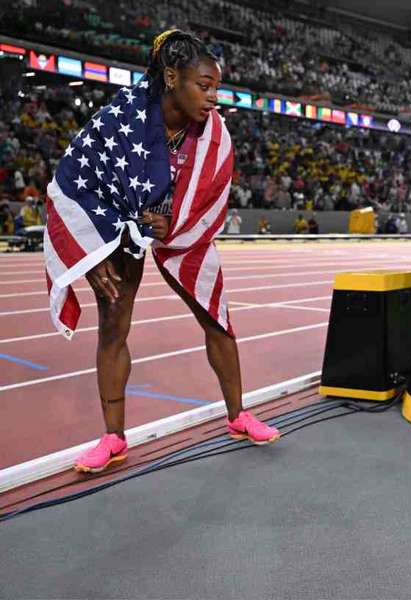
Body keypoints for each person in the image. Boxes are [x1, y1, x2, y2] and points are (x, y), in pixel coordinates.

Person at [43, 30, 280, 475]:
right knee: (114, 326)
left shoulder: (214, 134)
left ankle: (238, 416)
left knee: (216, 316)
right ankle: (113, 438)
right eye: (203, 86)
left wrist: (175, 223)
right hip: (116, 226)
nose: (213, 99)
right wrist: (93, 254)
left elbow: (212, 188)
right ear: (171, 77)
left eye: (216, 88)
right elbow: (74, 181)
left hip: (180, 230)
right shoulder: (120, 118)